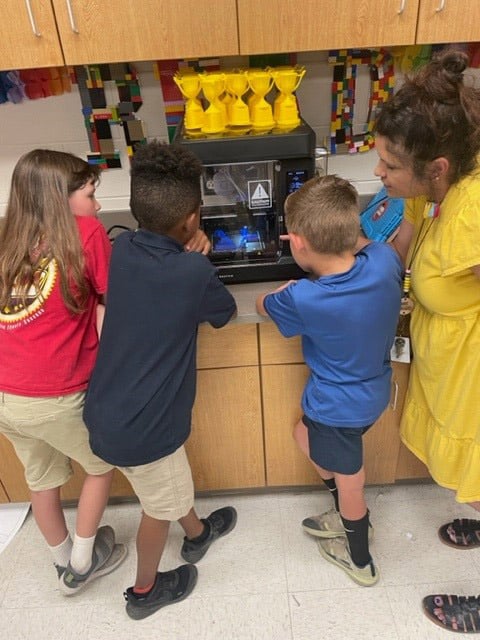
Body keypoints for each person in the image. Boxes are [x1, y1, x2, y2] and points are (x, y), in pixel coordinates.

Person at [83, 140, 238, 621]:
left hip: (107, 412)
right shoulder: (191, 269)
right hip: (146, 428)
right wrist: (201, 257)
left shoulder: (123, 246)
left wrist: (190, 252)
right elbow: (224, 313)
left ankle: (197, 534)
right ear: (192, 218)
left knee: (166, 484)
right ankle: (145, 591)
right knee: (157, 506)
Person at [373, 48, 480, 633]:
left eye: (390, 164)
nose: (379, 174)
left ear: (435, 166)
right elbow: (401, 246)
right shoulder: (434, 186)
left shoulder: (474, 216)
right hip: (450, 355)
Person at [256, 174, 402, 587]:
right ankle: (343, 509)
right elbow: (367, 246)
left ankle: (359, 557)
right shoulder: (385, 262)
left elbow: (262, 305)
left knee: (351, 478)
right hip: (374, 395)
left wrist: (279, 292)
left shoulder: (301, 297)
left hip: (335, 406)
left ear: (296, 243)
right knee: (303, 434)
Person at [0, 149, 127, 594]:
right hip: (55, 393)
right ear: (61, 197)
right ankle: (83, 560)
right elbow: (116, 300)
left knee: (42, 479)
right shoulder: (87, 232)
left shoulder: (7, 238)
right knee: (101, 463)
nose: (96, 204)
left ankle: (60, 560)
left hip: (6, 396)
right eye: (91, 194)